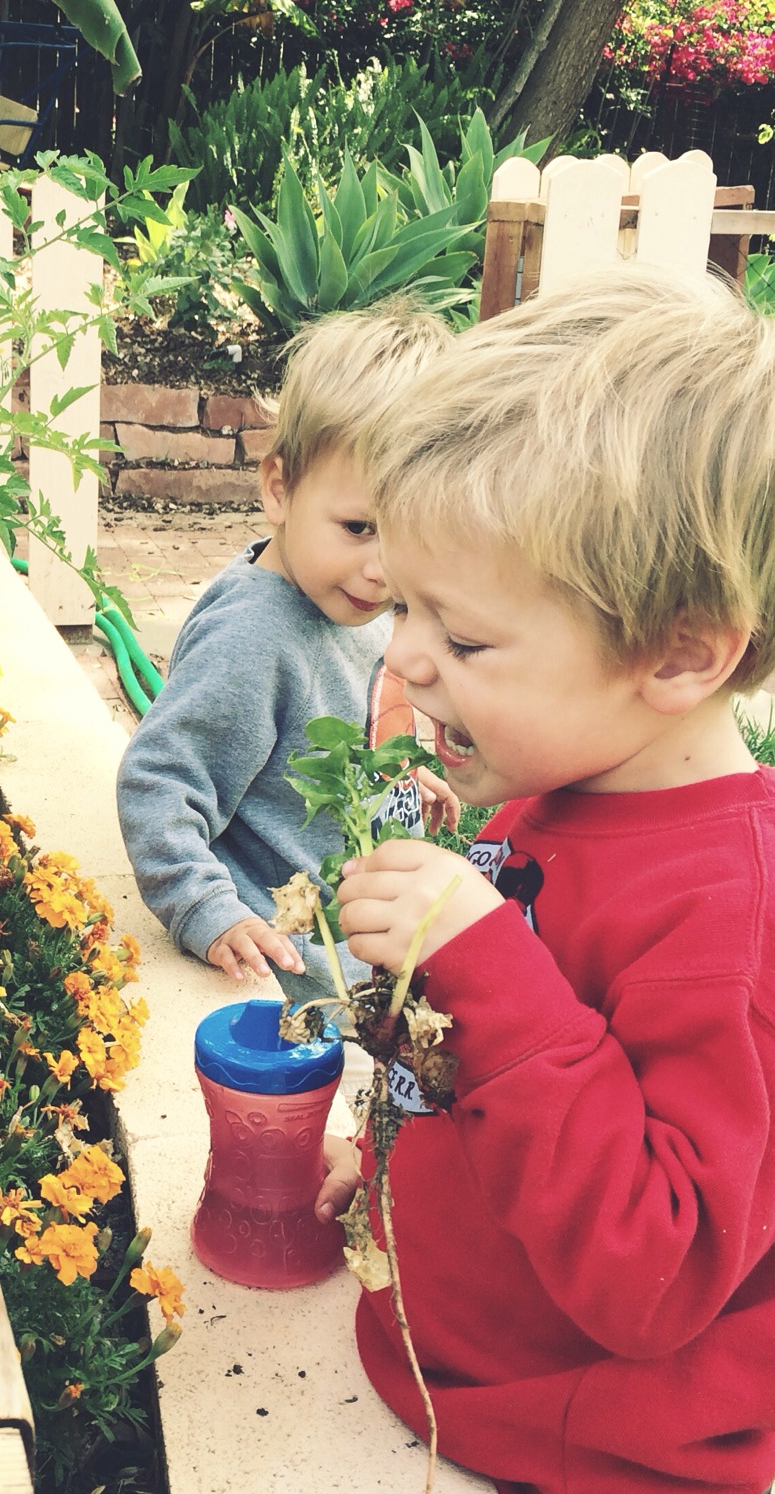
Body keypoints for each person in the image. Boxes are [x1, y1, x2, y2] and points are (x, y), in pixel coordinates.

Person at [323, 265, 775, 1494]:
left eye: (468, 638)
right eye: (406, 606)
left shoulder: (757, 937)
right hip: (464, 1405)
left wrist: (489, 967)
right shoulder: (547, 797)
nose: (408, 657)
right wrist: (388, 1162)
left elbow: (655, 1276)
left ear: (680, 653)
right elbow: (492, 1078)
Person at [116, 299, 458, 987]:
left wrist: (392, 780)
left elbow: (313, 741)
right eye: (359, 527)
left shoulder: (346, 600)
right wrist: (207, 909)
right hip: (303, 978)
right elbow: (159, 781)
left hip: (362, 945)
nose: (382, 567)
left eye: (409, 537)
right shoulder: (255, 636)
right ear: (278, 488)